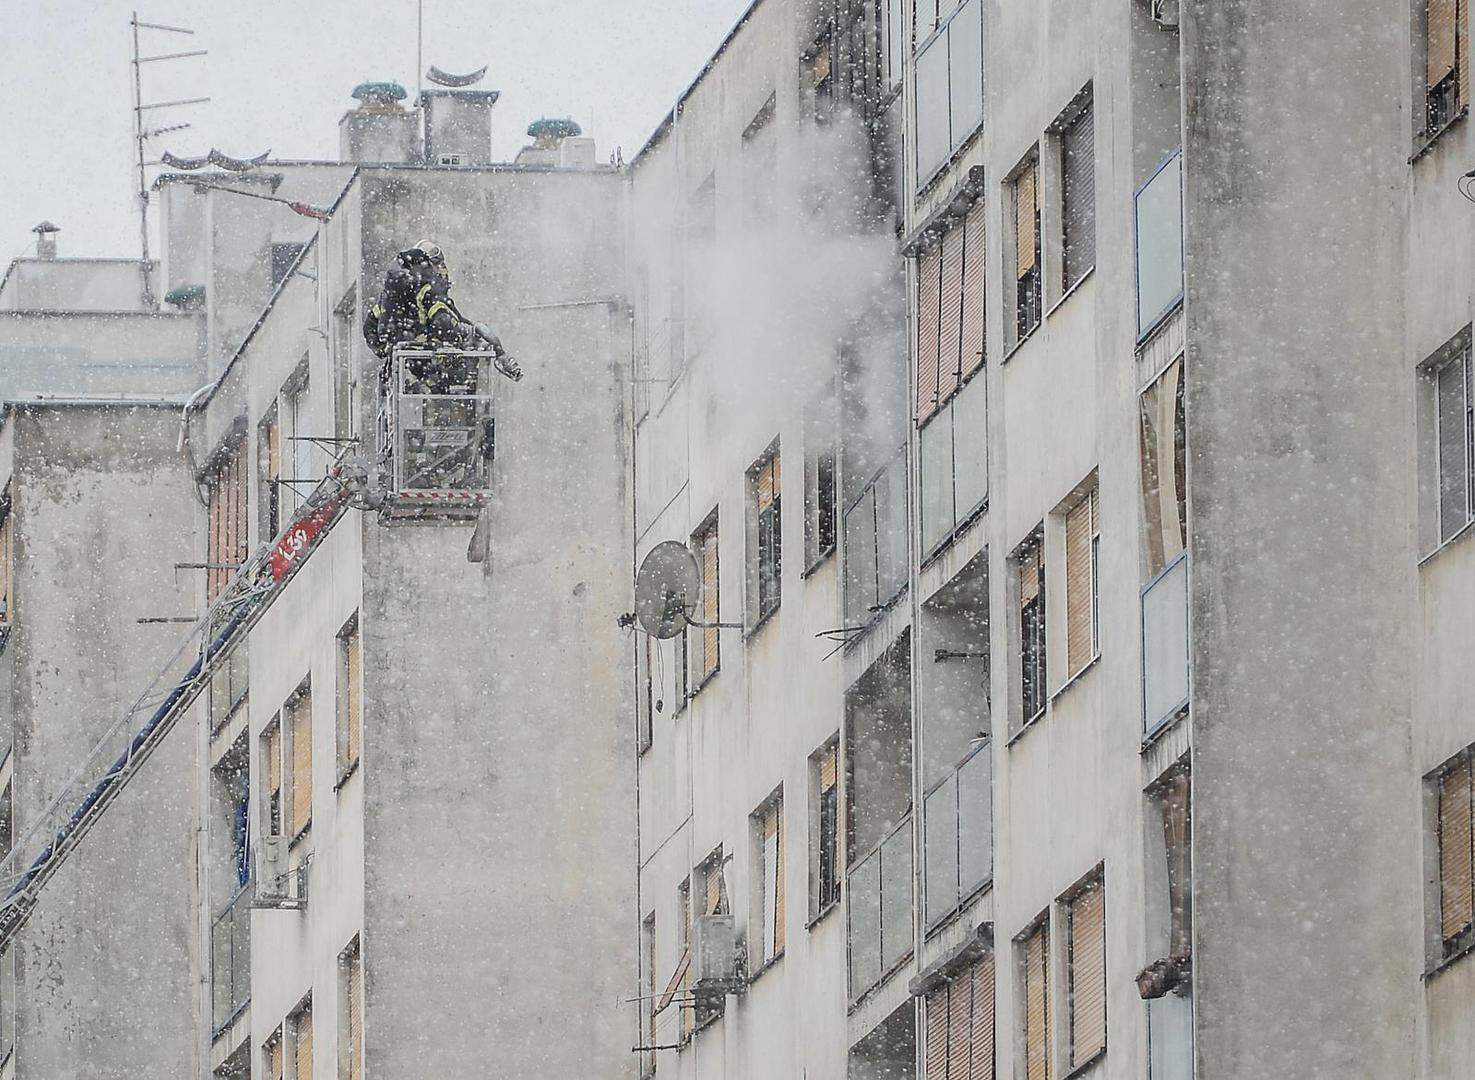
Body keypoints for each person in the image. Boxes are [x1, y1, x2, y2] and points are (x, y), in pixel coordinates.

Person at [362, 240, 523, 389]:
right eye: (440, 264)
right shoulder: (428, 291)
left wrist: (388, 348)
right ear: (430, 265)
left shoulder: (391, 297)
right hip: (423, 370)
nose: (443, 270)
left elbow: (370, 328)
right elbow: (443, 321)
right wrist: (466, 338)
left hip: (406, 371)